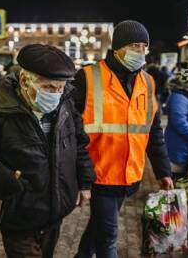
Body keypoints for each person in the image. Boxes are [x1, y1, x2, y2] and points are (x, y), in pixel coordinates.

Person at [0, 44, 96, 257]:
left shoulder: (66, 106)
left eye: (61, 87)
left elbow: (79, 145)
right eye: (48, 87)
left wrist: (84, 182)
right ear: (25, 81)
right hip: (17, 215)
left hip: (55, 211)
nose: (56, 94)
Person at [73, 20, 173, 258]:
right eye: (133, 45)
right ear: (117, 48)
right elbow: (73, 131)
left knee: (99, 226)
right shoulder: (88, 77)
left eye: (143, 47)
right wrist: (81, 177)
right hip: (100, 174)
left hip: (129, 176)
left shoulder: (148, 82)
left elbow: (153, 131)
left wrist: (163, 171)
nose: (139, 51)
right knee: (109, 235)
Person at [164, 69, 188, 180]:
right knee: (176, 177)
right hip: (178, 145)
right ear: (186, 81)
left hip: (186, 144)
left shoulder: (187, 96)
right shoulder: (179, 97)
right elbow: (179, 122)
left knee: (182, 177)